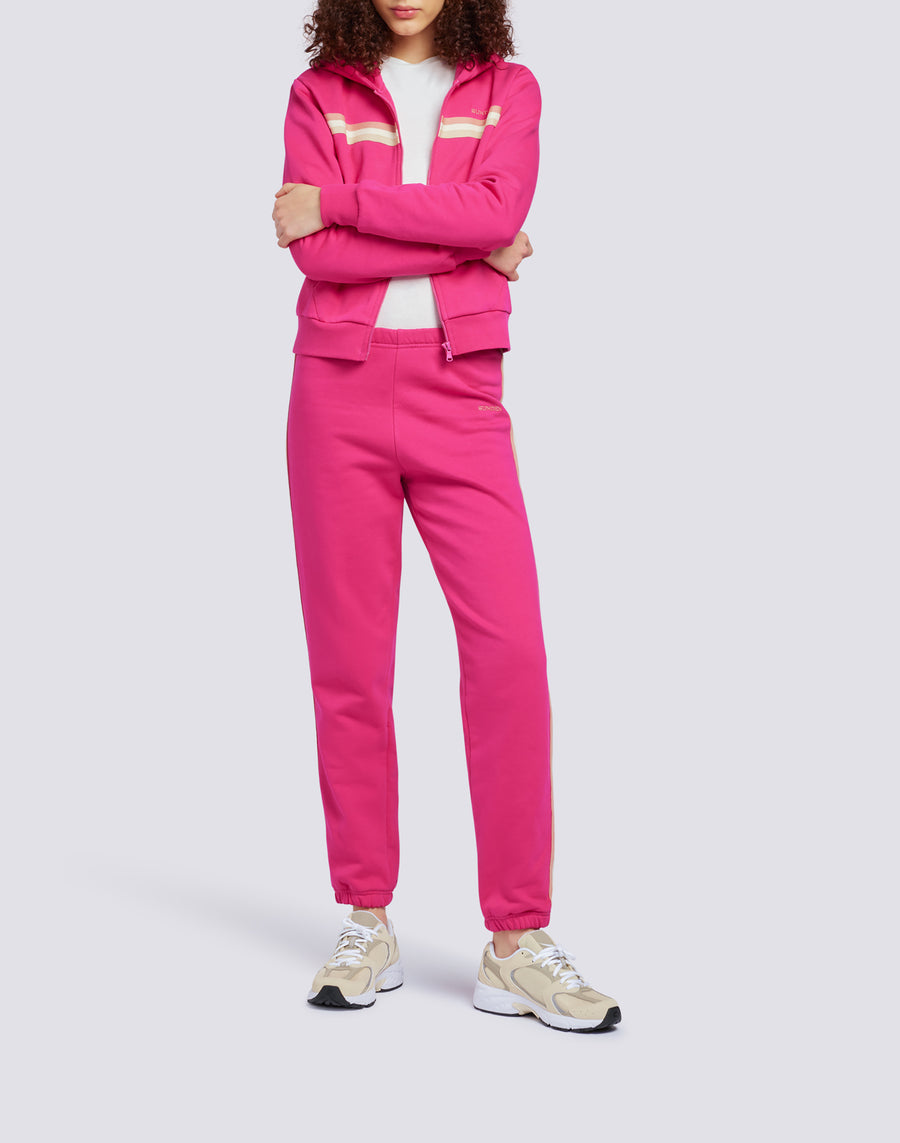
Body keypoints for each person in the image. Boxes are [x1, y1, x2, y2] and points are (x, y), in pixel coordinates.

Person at [272, 0, 621, 1033]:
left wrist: (345, 203)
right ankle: (366, 919)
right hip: (334, 393)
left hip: (461, 390)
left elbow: (484, 210)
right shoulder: (317, 94)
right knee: (350, 664)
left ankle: (516, 942)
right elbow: (317, 257)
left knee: (510, 653)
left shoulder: (510, 90)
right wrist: (475, 244)